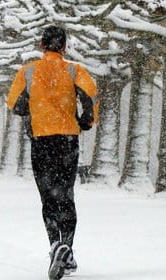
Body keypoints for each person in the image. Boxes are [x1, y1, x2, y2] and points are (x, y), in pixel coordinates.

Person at [7, 25, 98, 280]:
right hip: (67, 139)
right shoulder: (73, 70)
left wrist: (34, 111)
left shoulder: (28, 71)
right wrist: (85, 120)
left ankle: (55, 246)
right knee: (66, 194)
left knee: (48, 196)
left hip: (41, 140)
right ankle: (66, 247)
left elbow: (15, 104)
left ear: (42, 45)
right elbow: (90, 94)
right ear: (64, 47)